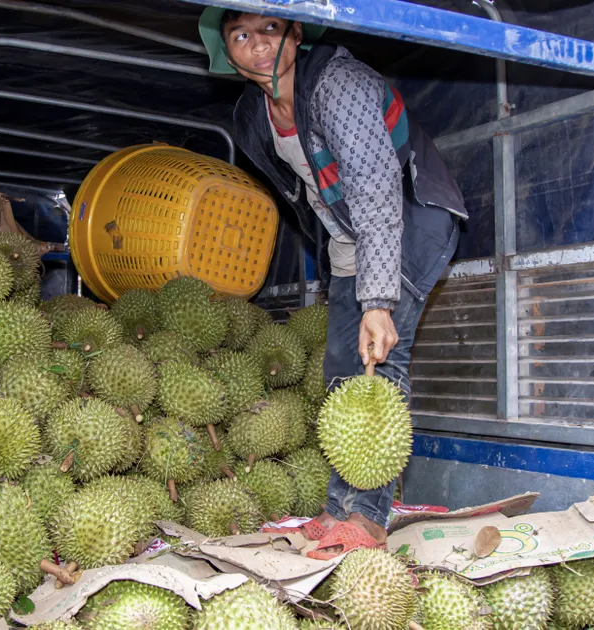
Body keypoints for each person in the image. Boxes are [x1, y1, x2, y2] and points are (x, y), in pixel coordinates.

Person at [198, 9, 468, 559]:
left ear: (296, 33)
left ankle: (367, 520)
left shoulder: (337, 85)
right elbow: (315, 199)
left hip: (408, 216)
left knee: (380, 360)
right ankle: (340, 506)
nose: (258, 47)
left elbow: (374, 191)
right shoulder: (255, 114)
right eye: (241, 36)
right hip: (351, 235)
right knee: (341, 366)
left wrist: (377, 302)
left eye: (270, 30)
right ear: (227, 52)